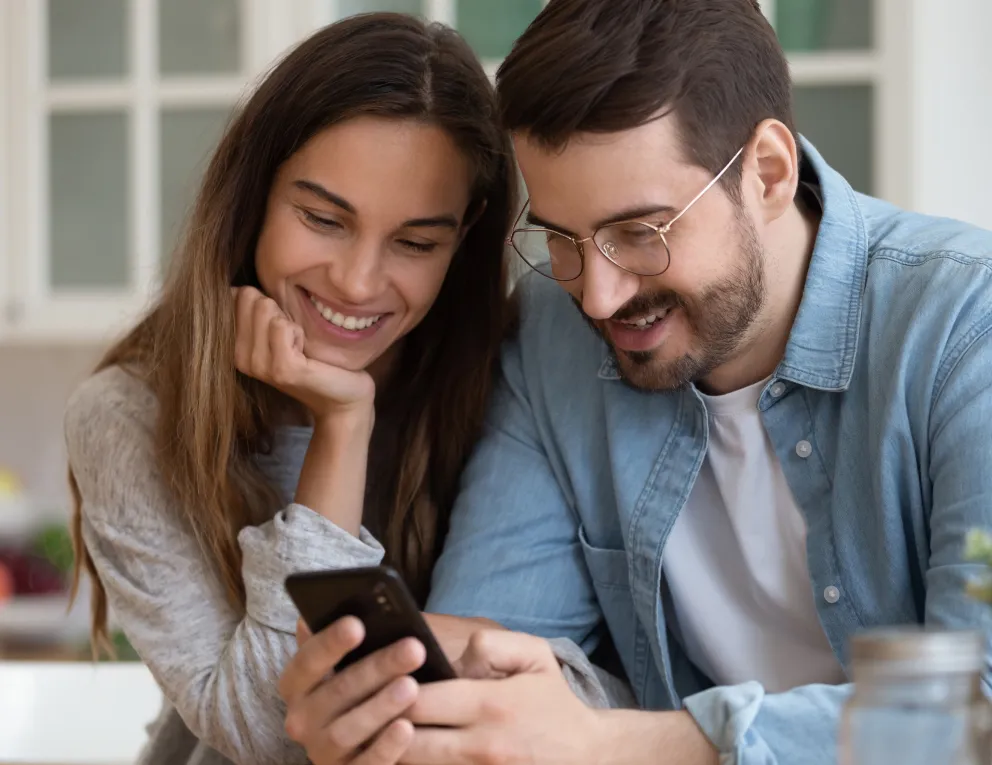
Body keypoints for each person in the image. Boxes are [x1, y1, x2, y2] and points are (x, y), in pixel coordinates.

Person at [280, 0, 992, 763]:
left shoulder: (964, 329)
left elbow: (974, 709)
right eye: (561, 239)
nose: (598, 296)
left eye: (639, 234)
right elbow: (505, 650)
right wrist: (419, 701)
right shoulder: (551, 336)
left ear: (768, 174)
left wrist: (613, 743)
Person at [63, 13, 519, 765]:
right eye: (323, 218)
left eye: (415, 242)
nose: (358, 282)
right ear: (254, 195)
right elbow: (270, 734)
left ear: (464, 236)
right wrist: (341, 426)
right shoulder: (126, 416)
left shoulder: (508, 381)